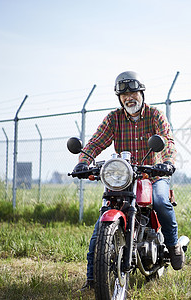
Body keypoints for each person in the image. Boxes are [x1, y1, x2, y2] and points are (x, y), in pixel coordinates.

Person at [75, 71, 185, 291]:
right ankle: (92, 281)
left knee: (162, 201)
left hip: (152, 175)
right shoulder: (113, 119)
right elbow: (96, 142)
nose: (129, 97)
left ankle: (173, 247)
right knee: (99, 228)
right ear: (119, 99)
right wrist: (83, 161)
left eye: (133, 92)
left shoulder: (155, 115)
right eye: (123, 95)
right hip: (123, 180)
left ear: (141, 92)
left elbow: (167, 140)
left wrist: (167, 162)